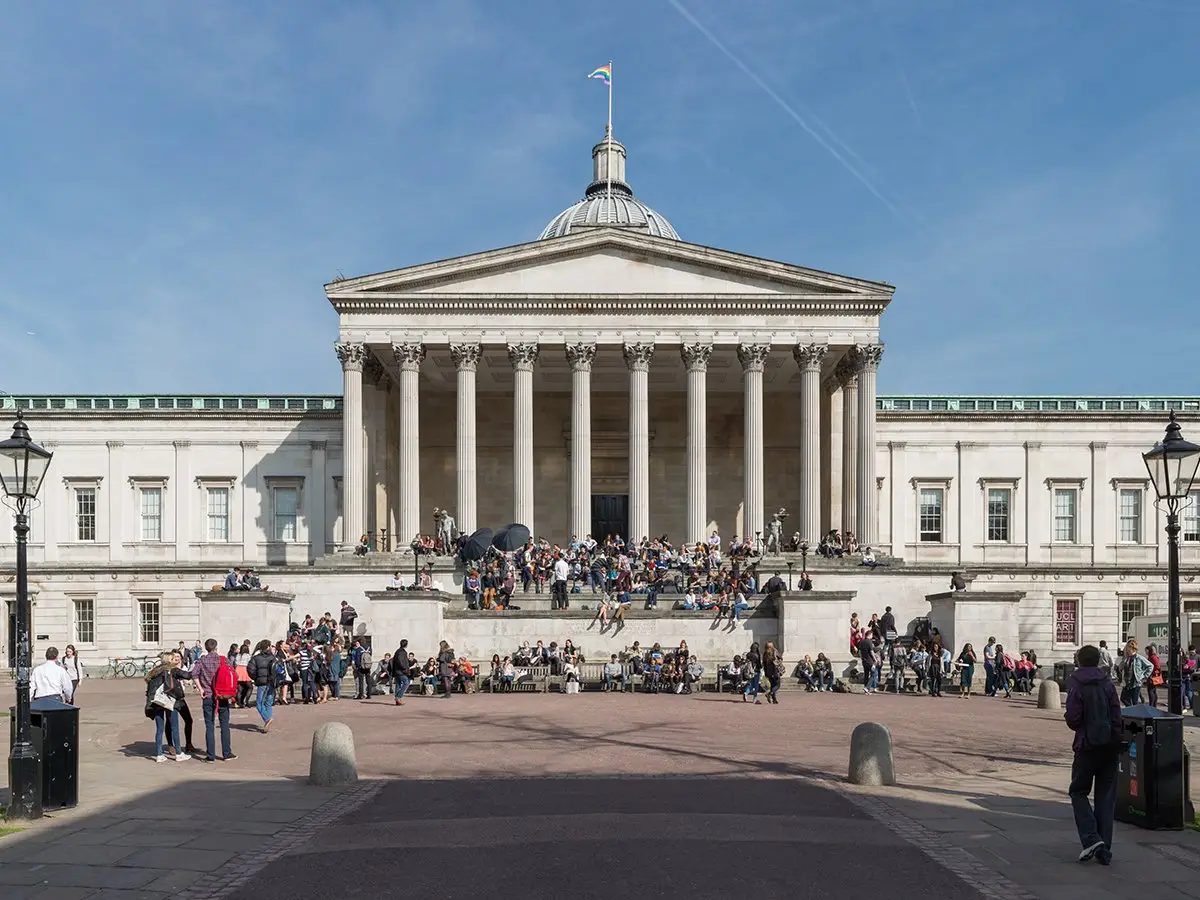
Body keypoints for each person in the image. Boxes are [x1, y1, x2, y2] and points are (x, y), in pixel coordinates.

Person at [1064, 644, 1122, 866]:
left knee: (1078, 791)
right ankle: (1104, 850)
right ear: (1098, 660)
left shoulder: (1076, 683)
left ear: (1079, 660)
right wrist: (1116, 738)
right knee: (1106, 798)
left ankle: (1091, 838)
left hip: (1086, 746)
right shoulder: (1107, 683)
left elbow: (1074, 718)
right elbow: (1117, 714)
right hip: (1109, 746)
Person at [192, 638, 235, 762]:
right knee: (224, 724)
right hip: (222, 695)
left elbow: (194, 674)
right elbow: (231, 673)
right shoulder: (223, 659)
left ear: (206, 648)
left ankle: (211, 755)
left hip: (208, 695)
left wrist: (200, 689)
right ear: (216, 646)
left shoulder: (202, 660)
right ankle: (227, 753)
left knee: (209, 725)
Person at [246, 640, 276, 733]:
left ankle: (267, 719)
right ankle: (268, 720)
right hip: (272, 682)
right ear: (267, 647)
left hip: (262, 682)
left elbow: (250, 670)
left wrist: (256, 678)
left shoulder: (256, 658)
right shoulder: (273, 657)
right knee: (268, 703)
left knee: (259, 703)